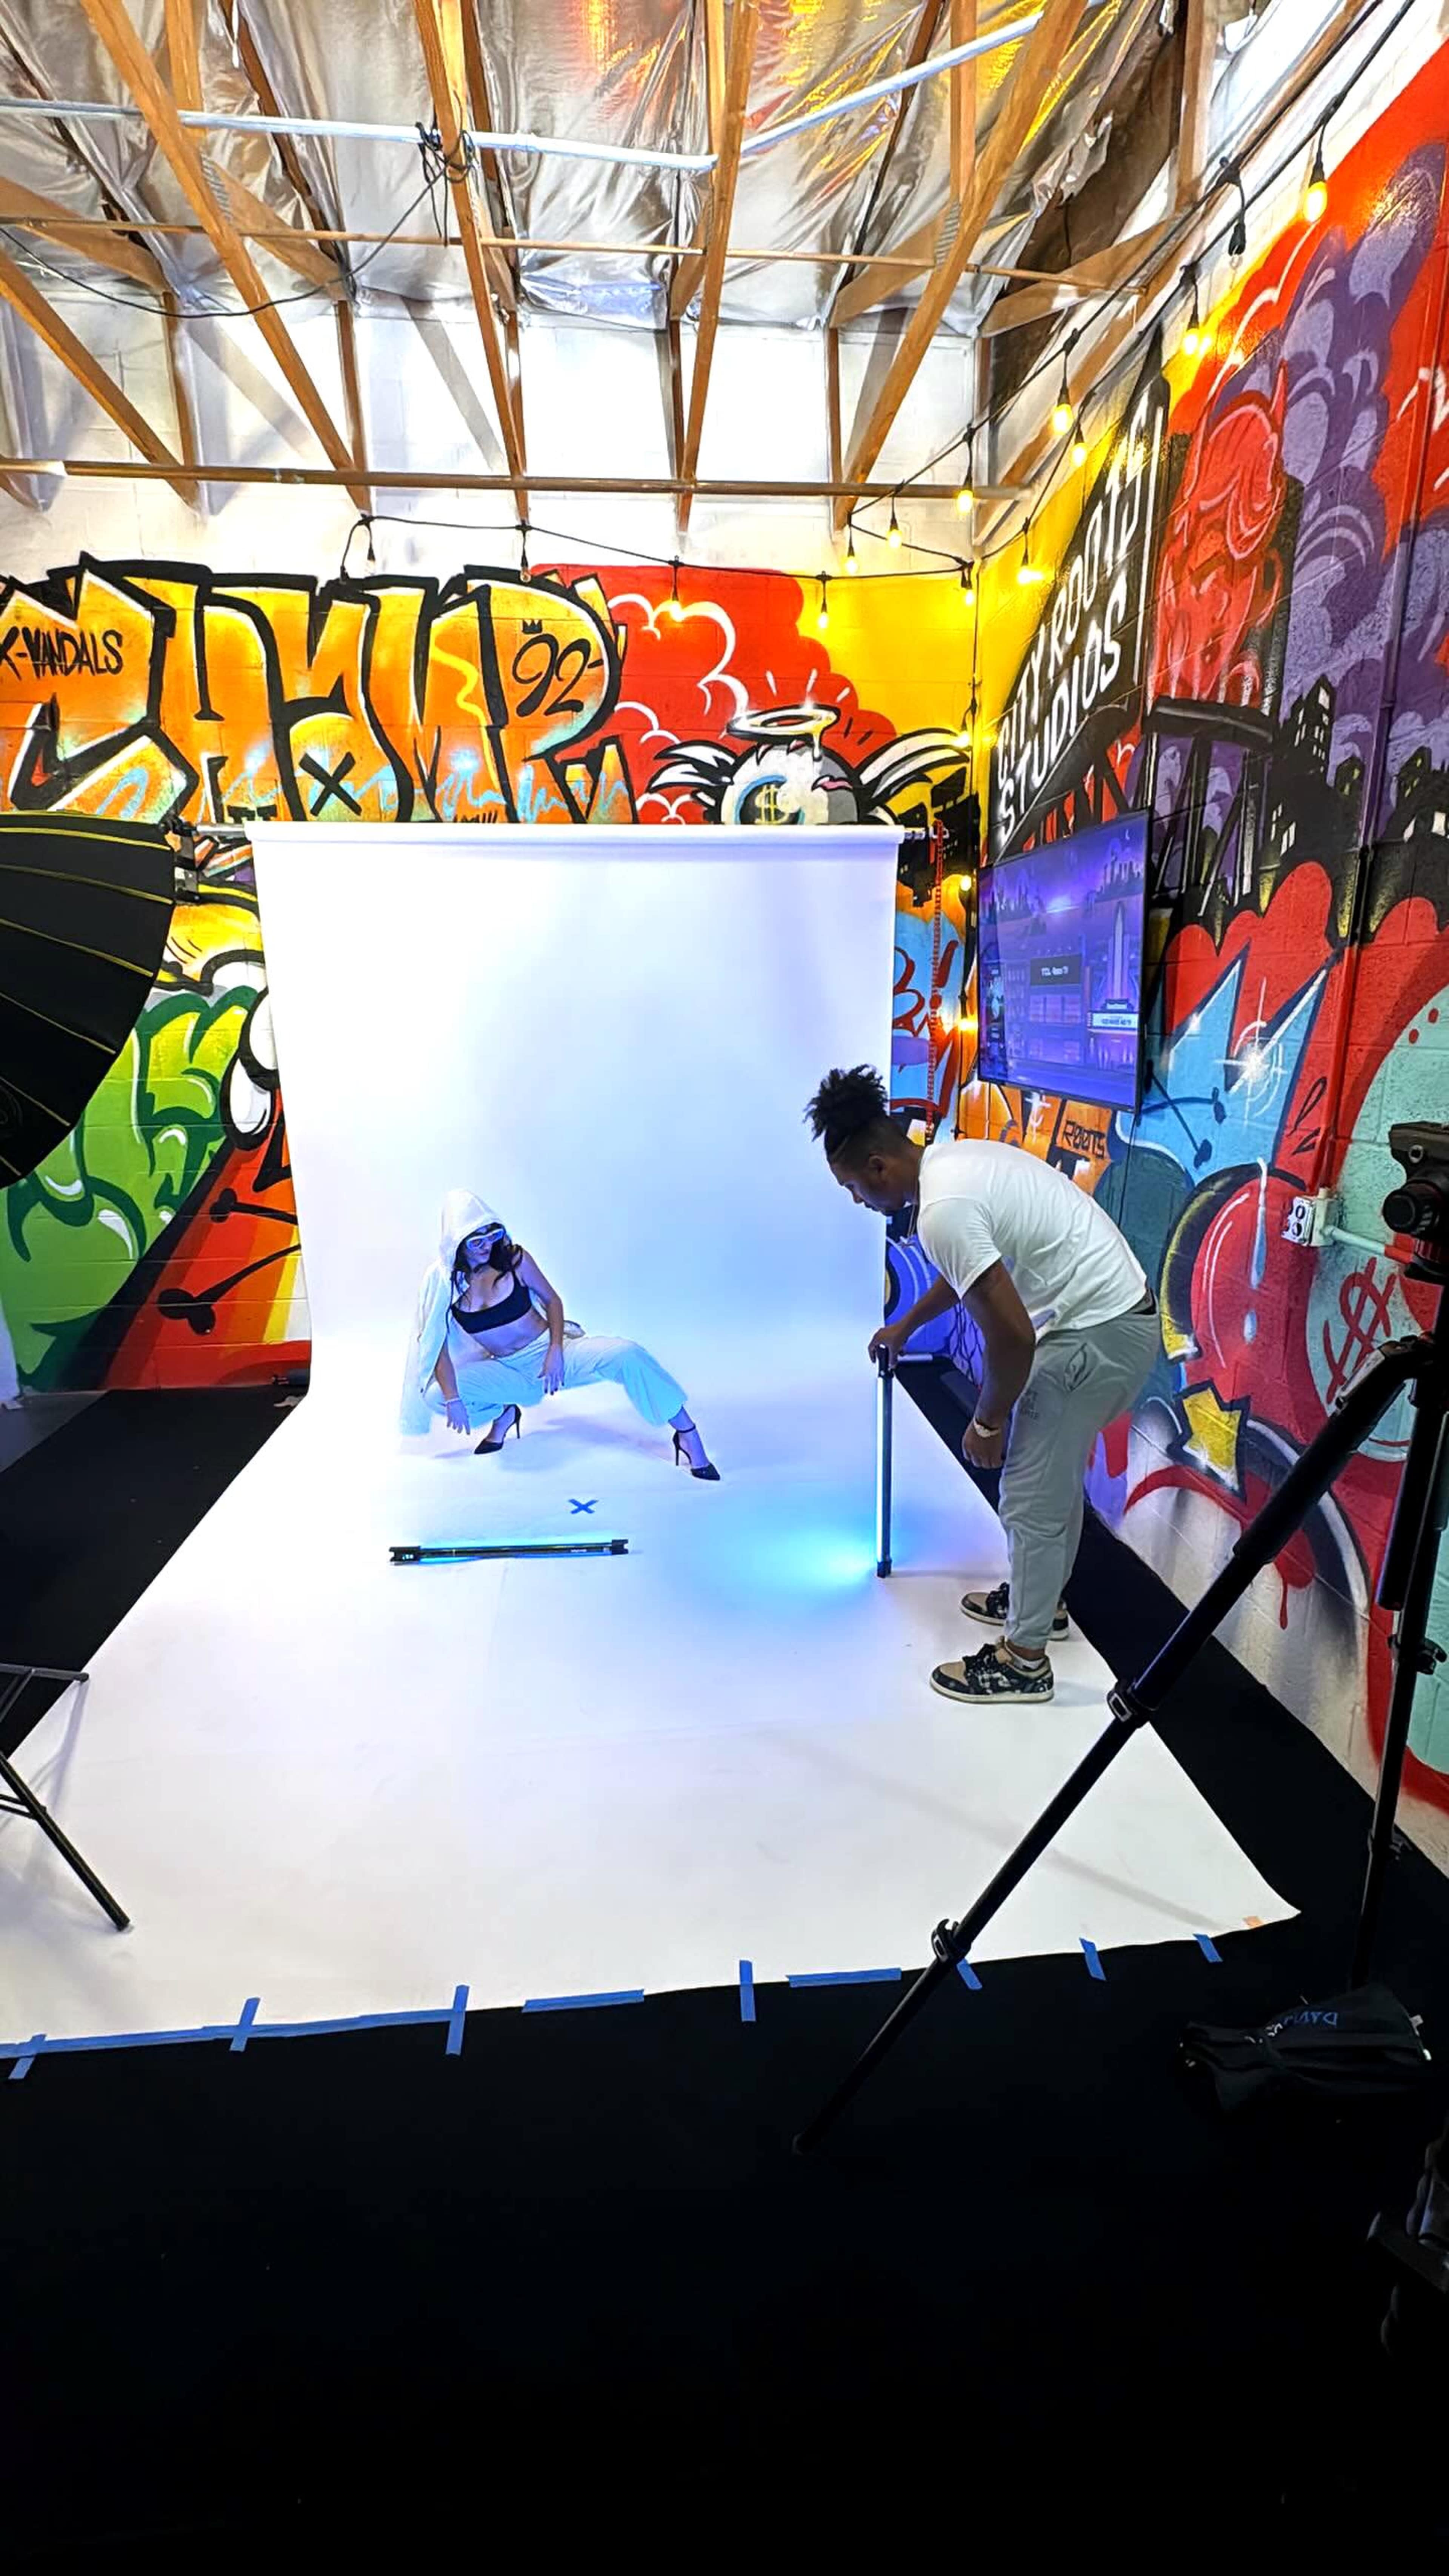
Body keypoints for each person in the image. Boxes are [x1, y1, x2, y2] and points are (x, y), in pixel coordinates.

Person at [805, 1067, 1156, 1705]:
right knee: (1049, 1481)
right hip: (1115, 1324)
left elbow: (1013, 1337)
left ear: (878, 1167)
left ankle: (1024, 1662)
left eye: (854, 1187)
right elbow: (970, 1269)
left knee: (1028, 1492)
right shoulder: (951, 1164)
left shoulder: (942, 1210)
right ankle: (1040, 1603)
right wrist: (906, 1325)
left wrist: (988, 1420)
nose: (858, 1201)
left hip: (1095, 1338)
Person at [401, 1190, 718, 1476]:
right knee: (436, 1396)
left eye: (492, 1234)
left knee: (627, 1354)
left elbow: (553, 1300)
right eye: (476, 1241)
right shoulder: (446, 1285)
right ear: (458, 1242)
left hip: (550, 1357)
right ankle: (505, 1412)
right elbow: (435, 1343)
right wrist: (454, 1398)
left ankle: (687, 1433)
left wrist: (556, 1350)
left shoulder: (515, 1260)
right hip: (508, 1371)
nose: (487, 1246)